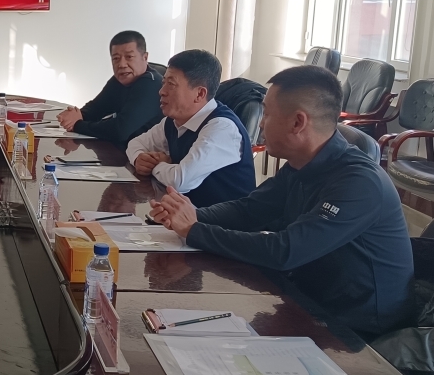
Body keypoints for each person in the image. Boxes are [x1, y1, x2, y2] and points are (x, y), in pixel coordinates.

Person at [150, 65, 415, 337]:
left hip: (357, 330)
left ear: (298, 123)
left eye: (266, 113)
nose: (260, 124)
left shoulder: (359, 183)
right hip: (308, 299)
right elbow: (250, 210)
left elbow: (285, 251)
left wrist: (194, 230)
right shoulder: (302, 163)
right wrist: (190, 213)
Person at [127, 49, 256, 207]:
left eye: (171, 84)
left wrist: (155, 166)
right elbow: (135, 144)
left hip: (224, 221)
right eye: (163, 83)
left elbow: (179, 181)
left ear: (200, 94)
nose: (162, 91)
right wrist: (139, 158)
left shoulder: (222, 128)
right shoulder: (173, 121)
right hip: (188, 215)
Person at [55, 31, 163, 146]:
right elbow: (96, 108)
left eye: (129, 57)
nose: (122, 64)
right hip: (124, 149)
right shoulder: (121, 79)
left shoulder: (151, 84)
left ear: (145, 57)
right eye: (116, 58)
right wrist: (76, 116)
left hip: (147, 153)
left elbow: (120, 130)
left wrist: (77, 125)